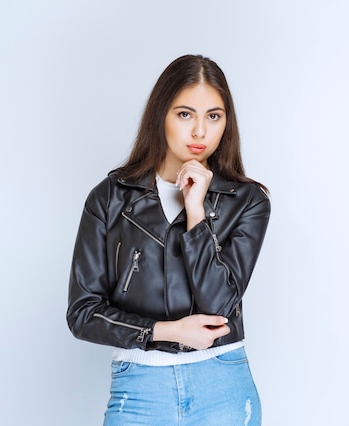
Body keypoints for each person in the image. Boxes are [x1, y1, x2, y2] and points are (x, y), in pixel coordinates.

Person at [67, 54, 270, 425]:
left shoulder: (247, 201)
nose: (199, 132)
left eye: (214, 116)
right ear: (160, 115)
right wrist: (166, 332)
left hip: (222, 386)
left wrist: (196, 210)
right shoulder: (110, 198)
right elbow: (83, 313)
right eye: (184, 114)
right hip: (141, 389)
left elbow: (220, 304)